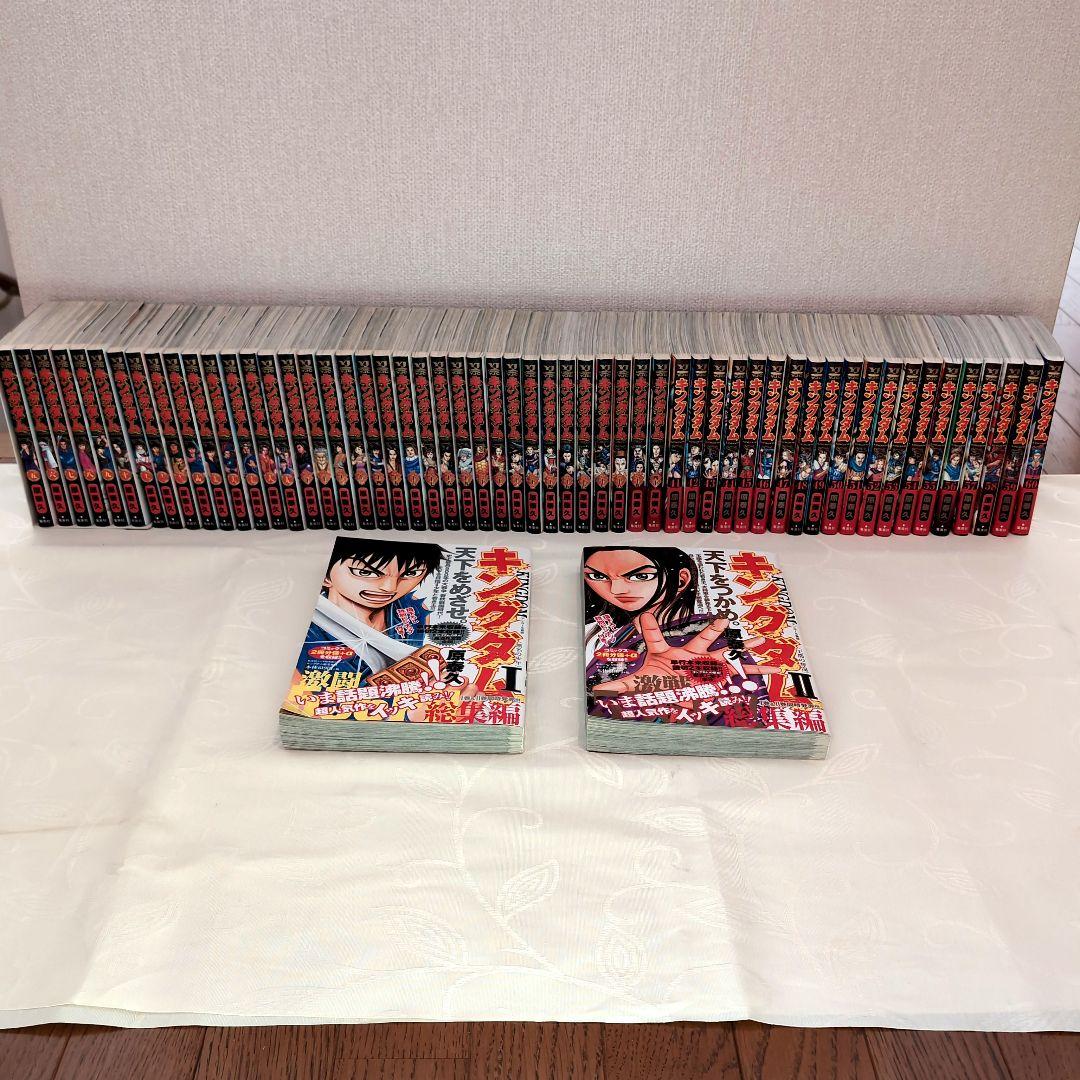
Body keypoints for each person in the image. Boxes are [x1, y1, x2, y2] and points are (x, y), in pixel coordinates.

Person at [582, 546, 773, 700]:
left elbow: (754, 704)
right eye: (598, 576)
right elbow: (595, 697)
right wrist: (613, 691)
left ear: (681, 580)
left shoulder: (718, 632)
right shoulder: (597, 633)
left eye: (641, 576)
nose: (616, 590)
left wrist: (696, 693)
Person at [297, 540, 446, 680]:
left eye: (410, 574)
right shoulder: (306, 630)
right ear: (326, 577)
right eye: (366, 573)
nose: (390, 588)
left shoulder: (413, 609)